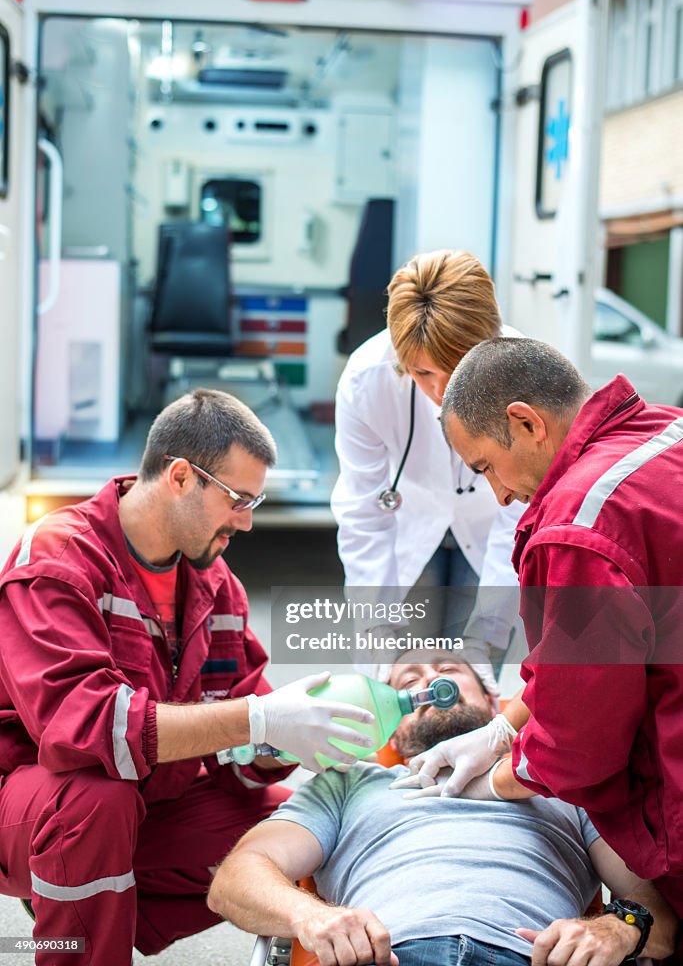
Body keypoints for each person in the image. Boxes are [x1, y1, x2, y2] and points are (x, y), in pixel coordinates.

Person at [0, 389, 374, 966]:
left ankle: (105, 906)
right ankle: (75, 941)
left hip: (149, 802)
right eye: (238, 499)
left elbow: (239, 760)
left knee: (303, 828)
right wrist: (257, 717)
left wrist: (282, 738)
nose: (247, 522)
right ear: (179, 477)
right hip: (38, 801)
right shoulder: (57, 559)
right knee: (97, 802)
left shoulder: (216, 586)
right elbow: (86, 730)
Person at [402, 337, 683, 921]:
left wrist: (503, 778)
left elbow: (580, 743)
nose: (500, 494)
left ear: (526, 423)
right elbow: (592, 657)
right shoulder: (665, 434)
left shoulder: (582, 526)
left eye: (484, 467)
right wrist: (503, 731)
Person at [207, 652, 677, 966]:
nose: (429, 681)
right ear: (388, 731)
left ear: (499, 707)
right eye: (407, 682)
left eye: (449, 670)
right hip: (392, 954)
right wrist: (307, 916)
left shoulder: (562, 783)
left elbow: (660, 909)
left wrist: (620, 928)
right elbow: (235, 879)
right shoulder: (351, 784)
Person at [331, 250, 523, 688]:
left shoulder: (522, 373)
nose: (440, 391)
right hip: (409, 527)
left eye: (456, 370)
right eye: (421, 373)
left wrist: (487, 636)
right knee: (400, 683)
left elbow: (521, 515)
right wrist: (380, 637)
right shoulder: (366, 380)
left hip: (492, 532)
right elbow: (363, 515)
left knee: (470, 681)